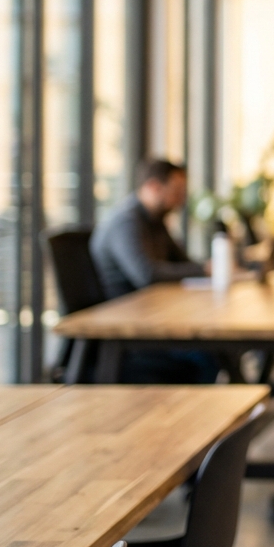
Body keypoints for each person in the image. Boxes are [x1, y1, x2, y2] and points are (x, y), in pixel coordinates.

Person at [90, 158, 219, 384]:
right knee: (207, 356)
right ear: (153, 187)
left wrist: (206, 268)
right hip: (129, 332)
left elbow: (183, 262)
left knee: (215, 350)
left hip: (153, 320)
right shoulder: (126, 222)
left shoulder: (156, 221)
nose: (181, 199)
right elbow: (147, 275)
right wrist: (204, 269)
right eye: (176, 190)